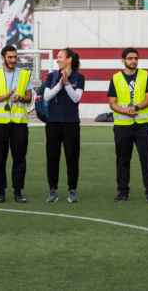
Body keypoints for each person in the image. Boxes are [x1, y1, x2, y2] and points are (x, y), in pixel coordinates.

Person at [107, 48, 148, 204]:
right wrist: (124, 110)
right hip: (123, 125)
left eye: (136, 58)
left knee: (146, 159)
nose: (133, 61)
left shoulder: (144, 75)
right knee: (123, 159)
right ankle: (123, 192)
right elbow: (112, 102)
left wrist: (135, 108)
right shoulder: (115, 78)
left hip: (143, 125)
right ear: (123, 60)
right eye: (130, 58)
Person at [0, 45, 33, 203]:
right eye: (10, 57)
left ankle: (18, 191)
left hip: (19, 122)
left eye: (15, 57)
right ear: (3, 58)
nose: (13, 60)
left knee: (19, 158)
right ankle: (0, 191)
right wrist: (6, 96)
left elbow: (29, 98)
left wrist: (19, 97)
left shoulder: (25, 75)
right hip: (0, 123)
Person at [44, 48, 85, 203]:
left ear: (69, 59)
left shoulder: (79, 77)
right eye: (57, 57)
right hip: (53, 123)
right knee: (52, 157)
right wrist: (59, 85)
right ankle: (53, 190)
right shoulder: (51, 76)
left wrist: (67, 84)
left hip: (71, 123)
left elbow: (76, 98)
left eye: (60, 57)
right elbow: (47, 96)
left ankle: (72, 190)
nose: (58, 60)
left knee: (72, 157)